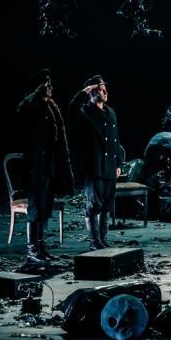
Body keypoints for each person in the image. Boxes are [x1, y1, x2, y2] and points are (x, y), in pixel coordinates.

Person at [16, 69, 74, 264]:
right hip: (36, 166)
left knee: (45, 207)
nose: (50, 87)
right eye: (47, 84)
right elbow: (27, 131)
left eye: (50, 84)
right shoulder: (32, 105)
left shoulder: (49, 106)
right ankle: (32, 249)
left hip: (49, 165)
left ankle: (41, 247)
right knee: (36, 208)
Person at [69, 75, 121, 250]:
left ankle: (102, 239)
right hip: (94, 166)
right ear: (91, 92)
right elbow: (70, 110)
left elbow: (115, 140)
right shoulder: (84, 112)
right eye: (100, 89)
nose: (105, 91)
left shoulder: (110, 112)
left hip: (110, 166)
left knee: (106, 205)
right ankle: (94, 241)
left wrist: (118, 164)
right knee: (94, 205)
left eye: (105, 88)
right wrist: (83, 93)